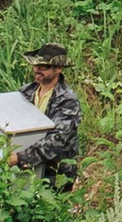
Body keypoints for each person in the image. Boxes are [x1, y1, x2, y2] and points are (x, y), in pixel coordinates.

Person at [11, 42, 82, 187]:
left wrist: (19, 158)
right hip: (26, 172)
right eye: (36, 65)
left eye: (43, 66)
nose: (37, 69)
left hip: (55, 176)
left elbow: (56, 140)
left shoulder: (68, 101)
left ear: (59, 69)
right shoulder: (25, 92)